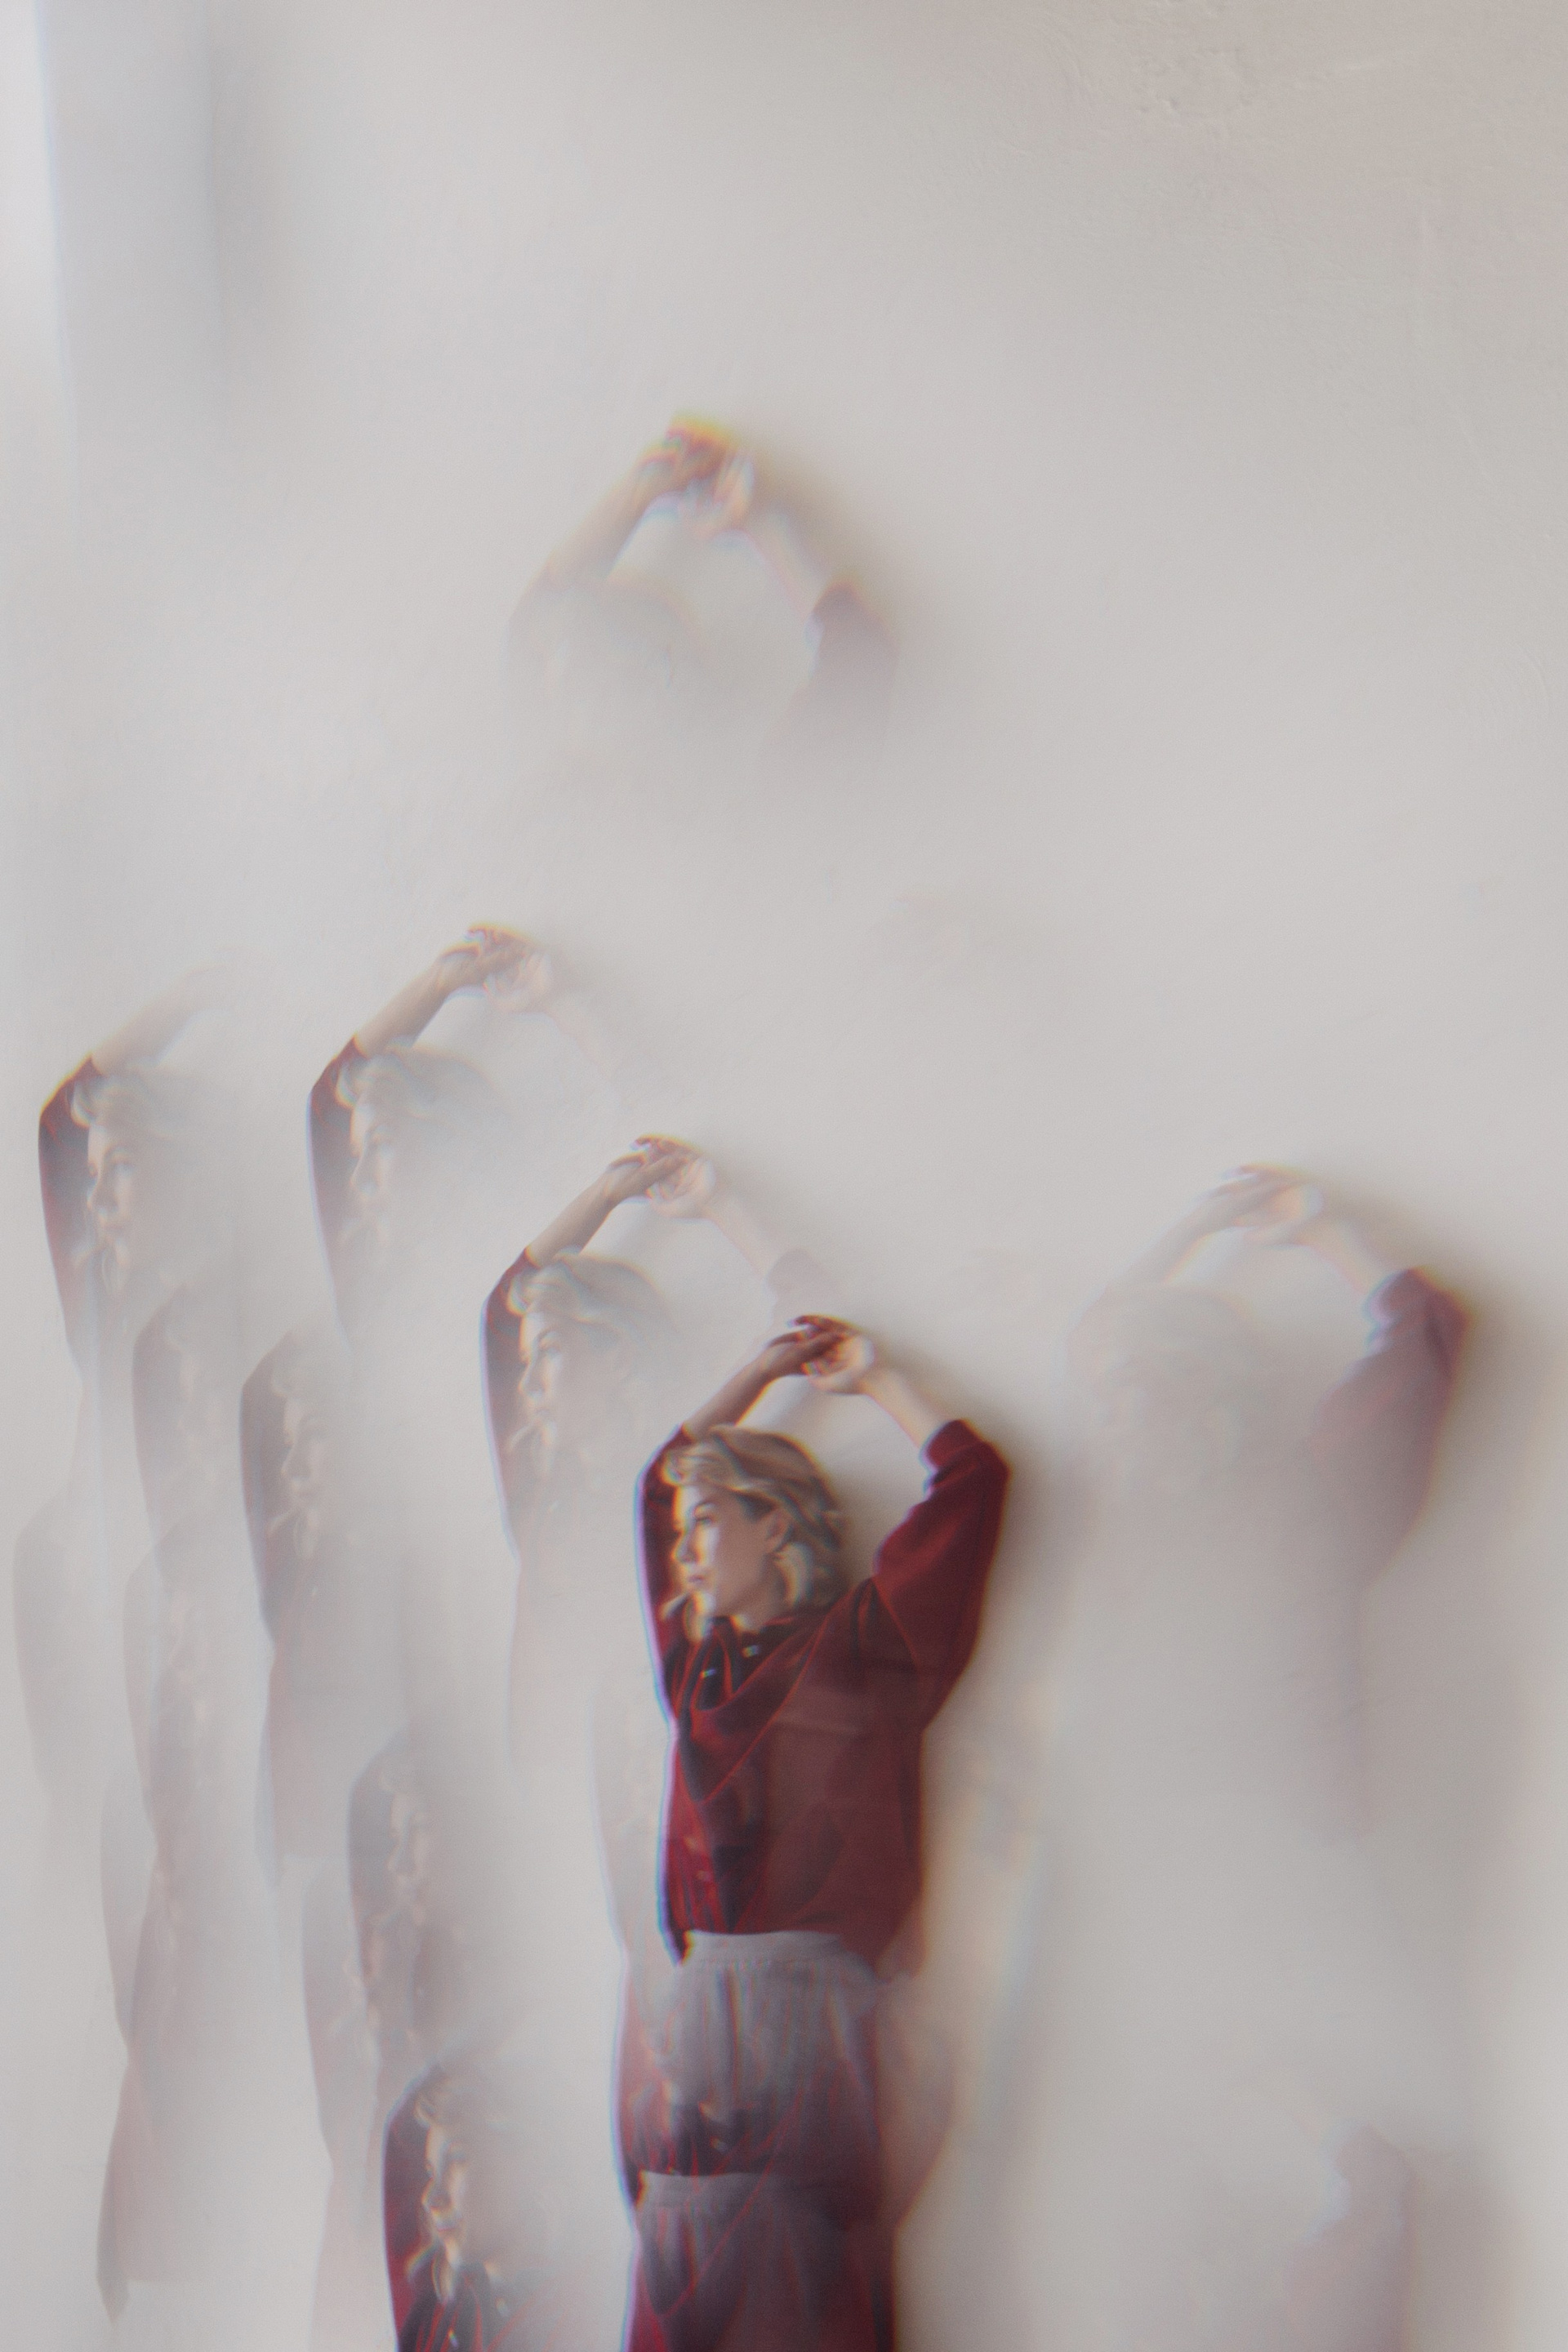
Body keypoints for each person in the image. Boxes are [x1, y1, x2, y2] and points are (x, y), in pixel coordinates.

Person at [623, 1315, 1009, 2352]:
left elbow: (972, 1485)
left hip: (814, 2024)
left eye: (711, 1522)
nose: (686, 1551)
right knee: (691, 2275)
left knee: (802, 2270)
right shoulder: (698, 1671)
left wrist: (878, 1377)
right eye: (686, 1531)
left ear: (777, 1527)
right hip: (701, 2019)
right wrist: (756, 1371)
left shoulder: (861, 1649)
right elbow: (655, 1487)